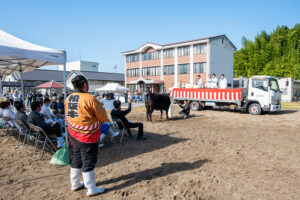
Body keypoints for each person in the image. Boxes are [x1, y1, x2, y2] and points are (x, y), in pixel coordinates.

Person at [65, 75, 109, 196]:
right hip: (87, 136)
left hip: (73, 134)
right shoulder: (90, 98)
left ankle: (75, 183)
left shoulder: (68, 98)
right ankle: (91, 188)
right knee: (88, 160)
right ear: (85, 85)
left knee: (77, 158)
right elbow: (103, 117)